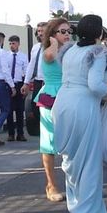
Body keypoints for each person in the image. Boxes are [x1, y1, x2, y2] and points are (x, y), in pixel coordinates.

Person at [53, 14, 107, 213]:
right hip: (83, 106)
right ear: (99, 33)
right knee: (89, 160)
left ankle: (76, 205)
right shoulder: (97, 52)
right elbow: (95, 85)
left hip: (62, 103)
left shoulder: (70, 50)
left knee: (71, 160)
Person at [35, 18, 70, 202]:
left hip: (67, 96)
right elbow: (49, 57)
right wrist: (54, 42)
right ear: (53, 34)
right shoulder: (48, 50)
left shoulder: (69, 50)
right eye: (62, 31)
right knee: (49, 143)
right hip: (51, 96)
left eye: (68, 31)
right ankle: (51, 185)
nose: (67, 34)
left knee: (69, 140)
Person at [3, 34, 29, 141]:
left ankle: (20, 133)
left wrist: (26, 85)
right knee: (8, 110)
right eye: (9, 43)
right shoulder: (5, 56)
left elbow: (27, 70)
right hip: (9, 84)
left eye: (13, 43)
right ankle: (10, 134)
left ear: (18, 44)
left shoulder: (23, 56)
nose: (11, 45)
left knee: (19, 109)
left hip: (19, 84)